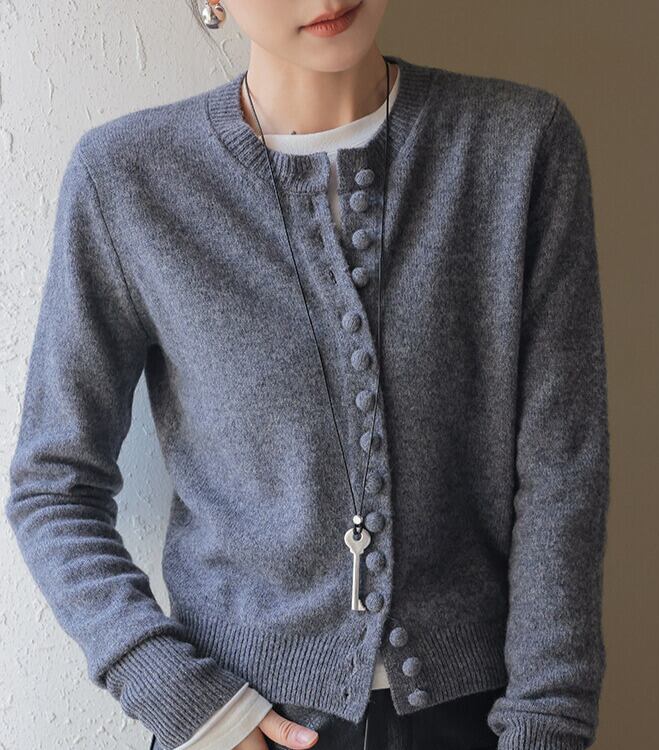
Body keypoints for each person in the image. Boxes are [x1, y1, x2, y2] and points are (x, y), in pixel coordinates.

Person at [5, 1, 611, 749]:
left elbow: (561, 471)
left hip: (480, 719)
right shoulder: (127, 179)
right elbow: (53, 485)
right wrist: (175, 691)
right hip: (237, 722)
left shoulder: (519, 147)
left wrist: (549, 723)